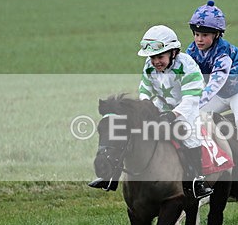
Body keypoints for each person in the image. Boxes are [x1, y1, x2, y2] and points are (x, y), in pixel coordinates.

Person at [88, 24, 213, 200]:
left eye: (160, 57)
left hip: (186, 109)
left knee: (190, 136)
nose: (155, 62)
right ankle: (110, 177)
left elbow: (191, 98)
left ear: (173, 52)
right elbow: (145, 91)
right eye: (152, 57)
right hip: (160, 107)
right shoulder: (149, 65)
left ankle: (196, 181)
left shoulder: (188, 65)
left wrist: (173, 115)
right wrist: (144, 110)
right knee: (132, 134)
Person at [186, 0, 238, 156]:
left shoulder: (222, 53)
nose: (199, 39)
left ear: (217, 34)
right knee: (193, 118)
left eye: (204, 35)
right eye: (197, 34)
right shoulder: (191, 51)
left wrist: (196, 101)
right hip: (219, 94)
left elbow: (214, 84)